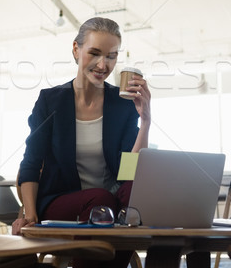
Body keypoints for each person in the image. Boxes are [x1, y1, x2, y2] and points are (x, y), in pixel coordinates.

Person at [12, 17, 151, 268]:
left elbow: (130, 171)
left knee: (138, 195)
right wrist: (30, 213)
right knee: (100, 201)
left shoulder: (122, 104)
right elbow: (31, 163)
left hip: (111, 202)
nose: (102, 64)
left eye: (111, 56)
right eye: (95, 53)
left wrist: (146, 120)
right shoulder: (50, 101)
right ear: (76, 49)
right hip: (62, 200)